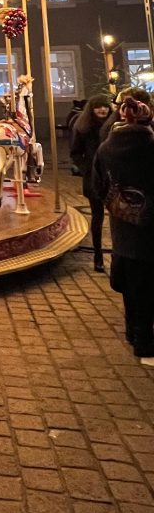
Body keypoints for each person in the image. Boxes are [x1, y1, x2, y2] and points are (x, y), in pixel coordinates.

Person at [92, 98, 154, 363]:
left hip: (122, 224)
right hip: (150, 224)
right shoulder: (150, 146)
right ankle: (145, 339)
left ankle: (134, 331)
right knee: (148, 281)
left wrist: (115, 206)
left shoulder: (106, 148)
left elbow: (98, 186)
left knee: (131, 282)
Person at [70, 94, 112, 272]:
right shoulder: (84, 128)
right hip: (94, 177)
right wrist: (87, 168)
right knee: (97, 216)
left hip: (112, 176)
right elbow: (75, 152)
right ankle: (97, 255)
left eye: (105, 107)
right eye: (98, 107)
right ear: (92, 109)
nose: (102, 110)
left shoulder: (114, 127)